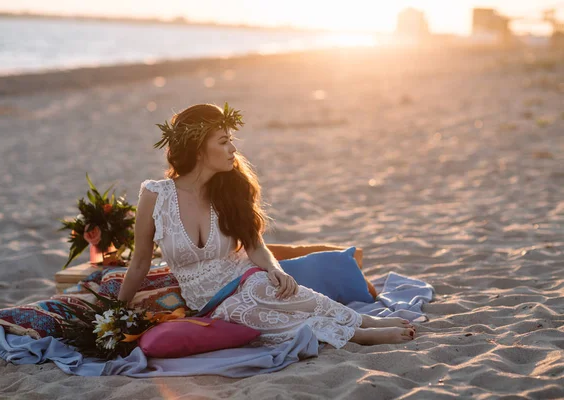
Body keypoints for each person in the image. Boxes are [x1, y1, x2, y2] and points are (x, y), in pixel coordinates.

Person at [118, 103, 416, 348]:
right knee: (246, 313)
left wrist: (275, 270)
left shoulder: (227, 191)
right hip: (209, 302)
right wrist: (115, 313)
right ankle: (353, 330)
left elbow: (254, 245)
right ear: (198, 149)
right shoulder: (155, 195)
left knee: (266, 288)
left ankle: (361, 325)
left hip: (244, 275)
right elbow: (140, 261)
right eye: (223, 141)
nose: (233, 149)